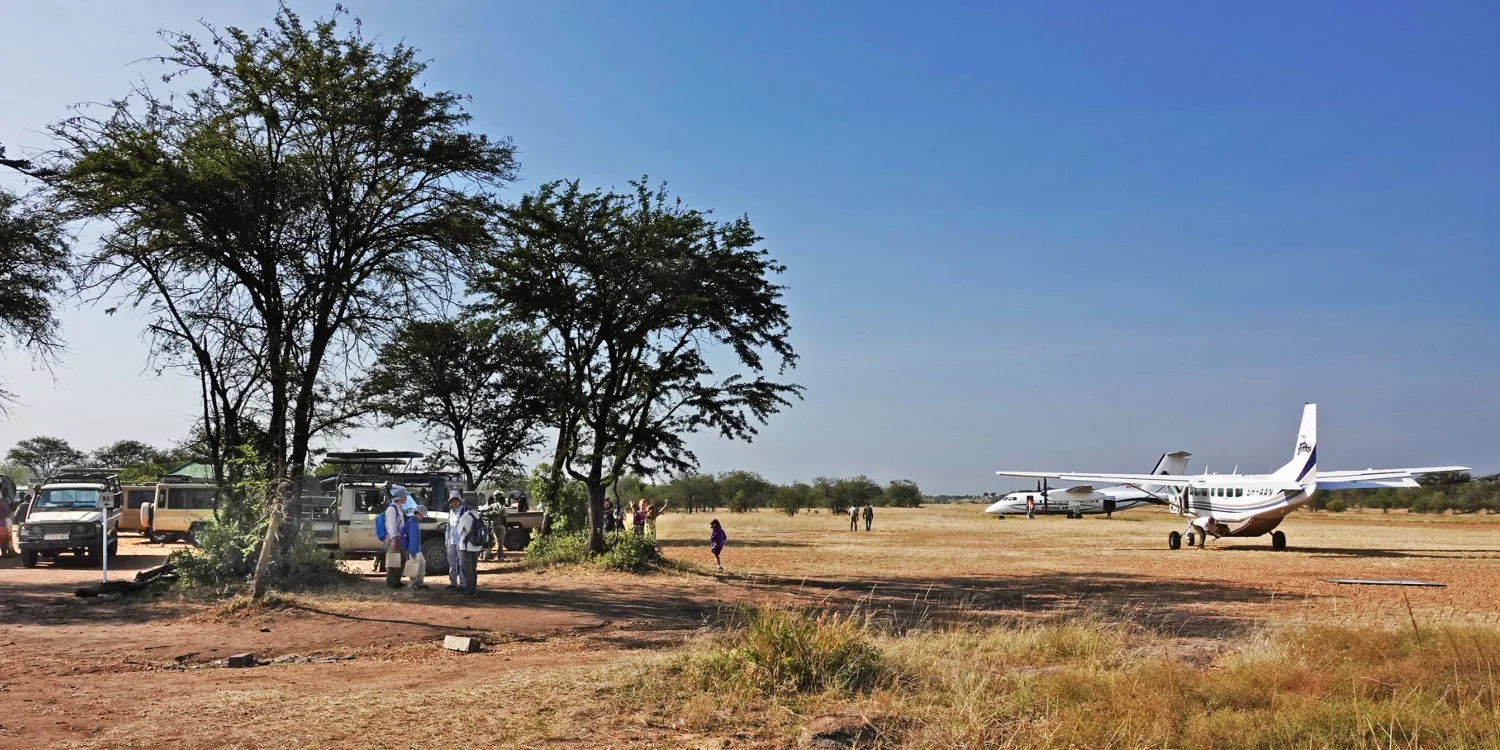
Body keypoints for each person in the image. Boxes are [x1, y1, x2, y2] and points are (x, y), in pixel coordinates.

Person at [455, 497, 484, 596]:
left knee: (466, 568)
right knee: (473, 568)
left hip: (466, 546)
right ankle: (473, 587)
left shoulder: (465, 516)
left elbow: (459, 531)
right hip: (476, 546)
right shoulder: (479, 515)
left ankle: (470, 589)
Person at [382, 487, 409, 588]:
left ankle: (397, 581)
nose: (406, 498)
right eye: (405, 496)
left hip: (399, 537)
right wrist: (393, 539)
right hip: (393, 537)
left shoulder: (399, 508)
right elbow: (392, 525)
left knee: (400, 559)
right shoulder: (392, 509)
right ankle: (392, 583)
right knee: (393, 560)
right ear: (400, 497)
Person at [402, 499, 428, 589]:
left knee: (422, 563)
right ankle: (412, 584)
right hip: (414, 549)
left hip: (417, 548)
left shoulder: (413, 522)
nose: (423, 517)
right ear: (419, 514)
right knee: (414, 565)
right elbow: (413, 538)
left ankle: (419, 583)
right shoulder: (413, 523)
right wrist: (412, 551)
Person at [445, 493, 465, 590]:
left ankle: (463, 583)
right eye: (453, 500)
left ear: (460, 501)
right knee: (452, 563)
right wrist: (447, 540)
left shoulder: (463, 511)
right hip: (451, 541)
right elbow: (448, 528)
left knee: (461, 563)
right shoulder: (450, 512)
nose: (454, 502)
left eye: (456, 500)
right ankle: (453, 582)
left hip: (461, 541)